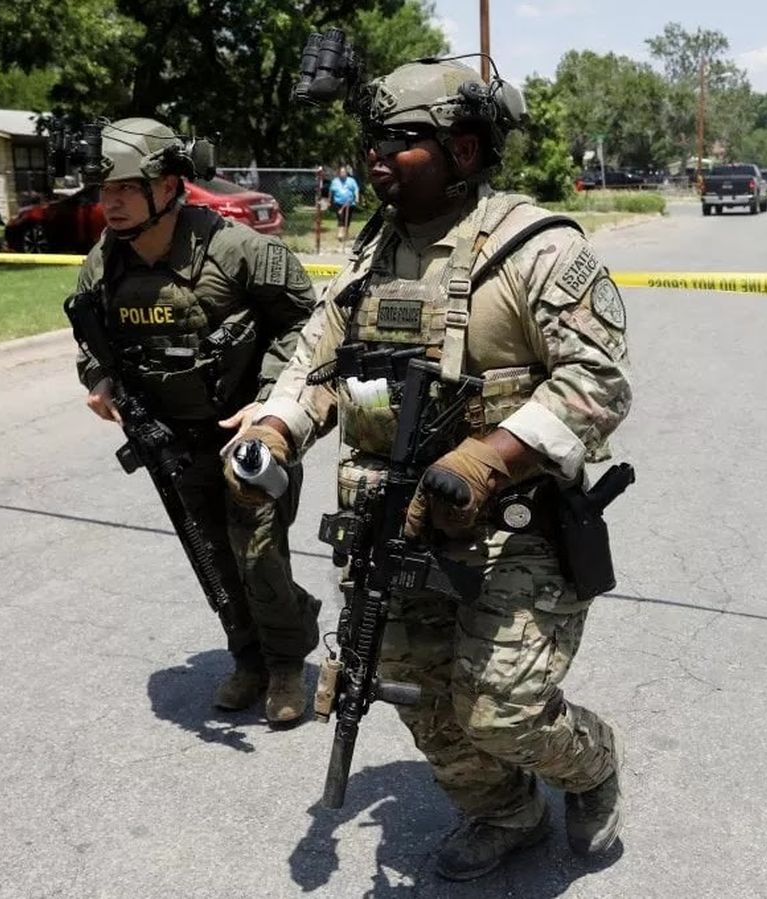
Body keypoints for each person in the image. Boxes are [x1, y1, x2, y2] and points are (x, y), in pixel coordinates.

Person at [234, 61, 633, 880]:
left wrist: (491, 458)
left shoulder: (538, 247)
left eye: (399, 142)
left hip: (521, 529)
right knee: (413, 686)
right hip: (399, 524)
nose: (375, 158)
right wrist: (274, 431)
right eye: (371, 141)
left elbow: (597, 381)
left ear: (463, 146)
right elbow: (318, 364)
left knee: (500, 707)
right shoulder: (372, 252)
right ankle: (506, 811)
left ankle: (591, 767)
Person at [72, 117, 322, 723]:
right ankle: (249, 658)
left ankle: (287, 664)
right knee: (209, 553)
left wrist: (269, 399)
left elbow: (305, 324)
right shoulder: (103, 265)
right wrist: (98, 381)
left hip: (248, 434)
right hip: (172, 440)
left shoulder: (238, 249)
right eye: (104, 191)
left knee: (258, 552)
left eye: (126, 188)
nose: (111, 203)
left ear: (168, 183)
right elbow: (88, 338)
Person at [329, 164, 360, 249]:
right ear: (339, 173)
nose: (343, 174)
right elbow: (331, 192)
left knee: (348, 219)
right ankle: (340, 234)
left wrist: (357, 198)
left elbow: (356, 189)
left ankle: (346, 234)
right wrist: (329, 201)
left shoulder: (351, 181)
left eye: (344, 172)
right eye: (341, 172)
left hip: (350, 203)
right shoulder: (335, 181)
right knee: (340, 217)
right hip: (338, 202)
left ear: (346, 173)